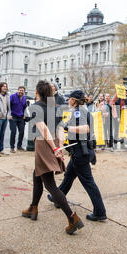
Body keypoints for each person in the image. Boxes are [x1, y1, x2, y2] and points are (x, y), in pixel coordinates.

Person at [21, 81, 84, 234]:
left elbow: (43, 130)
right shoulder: (54, 107)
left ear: (37, 91)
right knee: (37, 174)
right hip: (53, 142)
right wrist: (59, 145)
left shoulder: (35, 107)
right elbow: (60, 129)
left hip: (44, 144)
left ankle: (72, 217)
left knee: (50, 184)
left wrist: (56, 148)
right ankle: (33, 208)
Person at [49, 89, 107, 222]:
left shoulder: (78, 112)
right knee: (69, 175)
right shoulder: (82, 111)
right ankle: (57, 198)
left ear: (73, 100)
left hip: (81, 153)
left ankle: (100, 211)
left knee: (88, 183)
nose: (68, 100)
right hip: (80, 152)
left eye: (69, 98)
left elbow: (85, 128)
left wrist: (67, 129)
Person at [9, 86, 28, 153]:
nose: (21, 91)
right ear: (18, 90)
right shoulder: (12, 96)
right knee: (13, 132)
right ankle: (12, 147)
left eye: (22, 90)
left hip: (21, 117)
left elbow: (25, 107)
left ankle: (19, 146)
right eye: (20, 90)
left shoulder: (24, 98)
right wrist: (9, 114)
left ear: (24, 91)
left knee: (22, 132)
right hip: (13, 117)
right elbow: (8, 106)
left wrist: (25, 115)